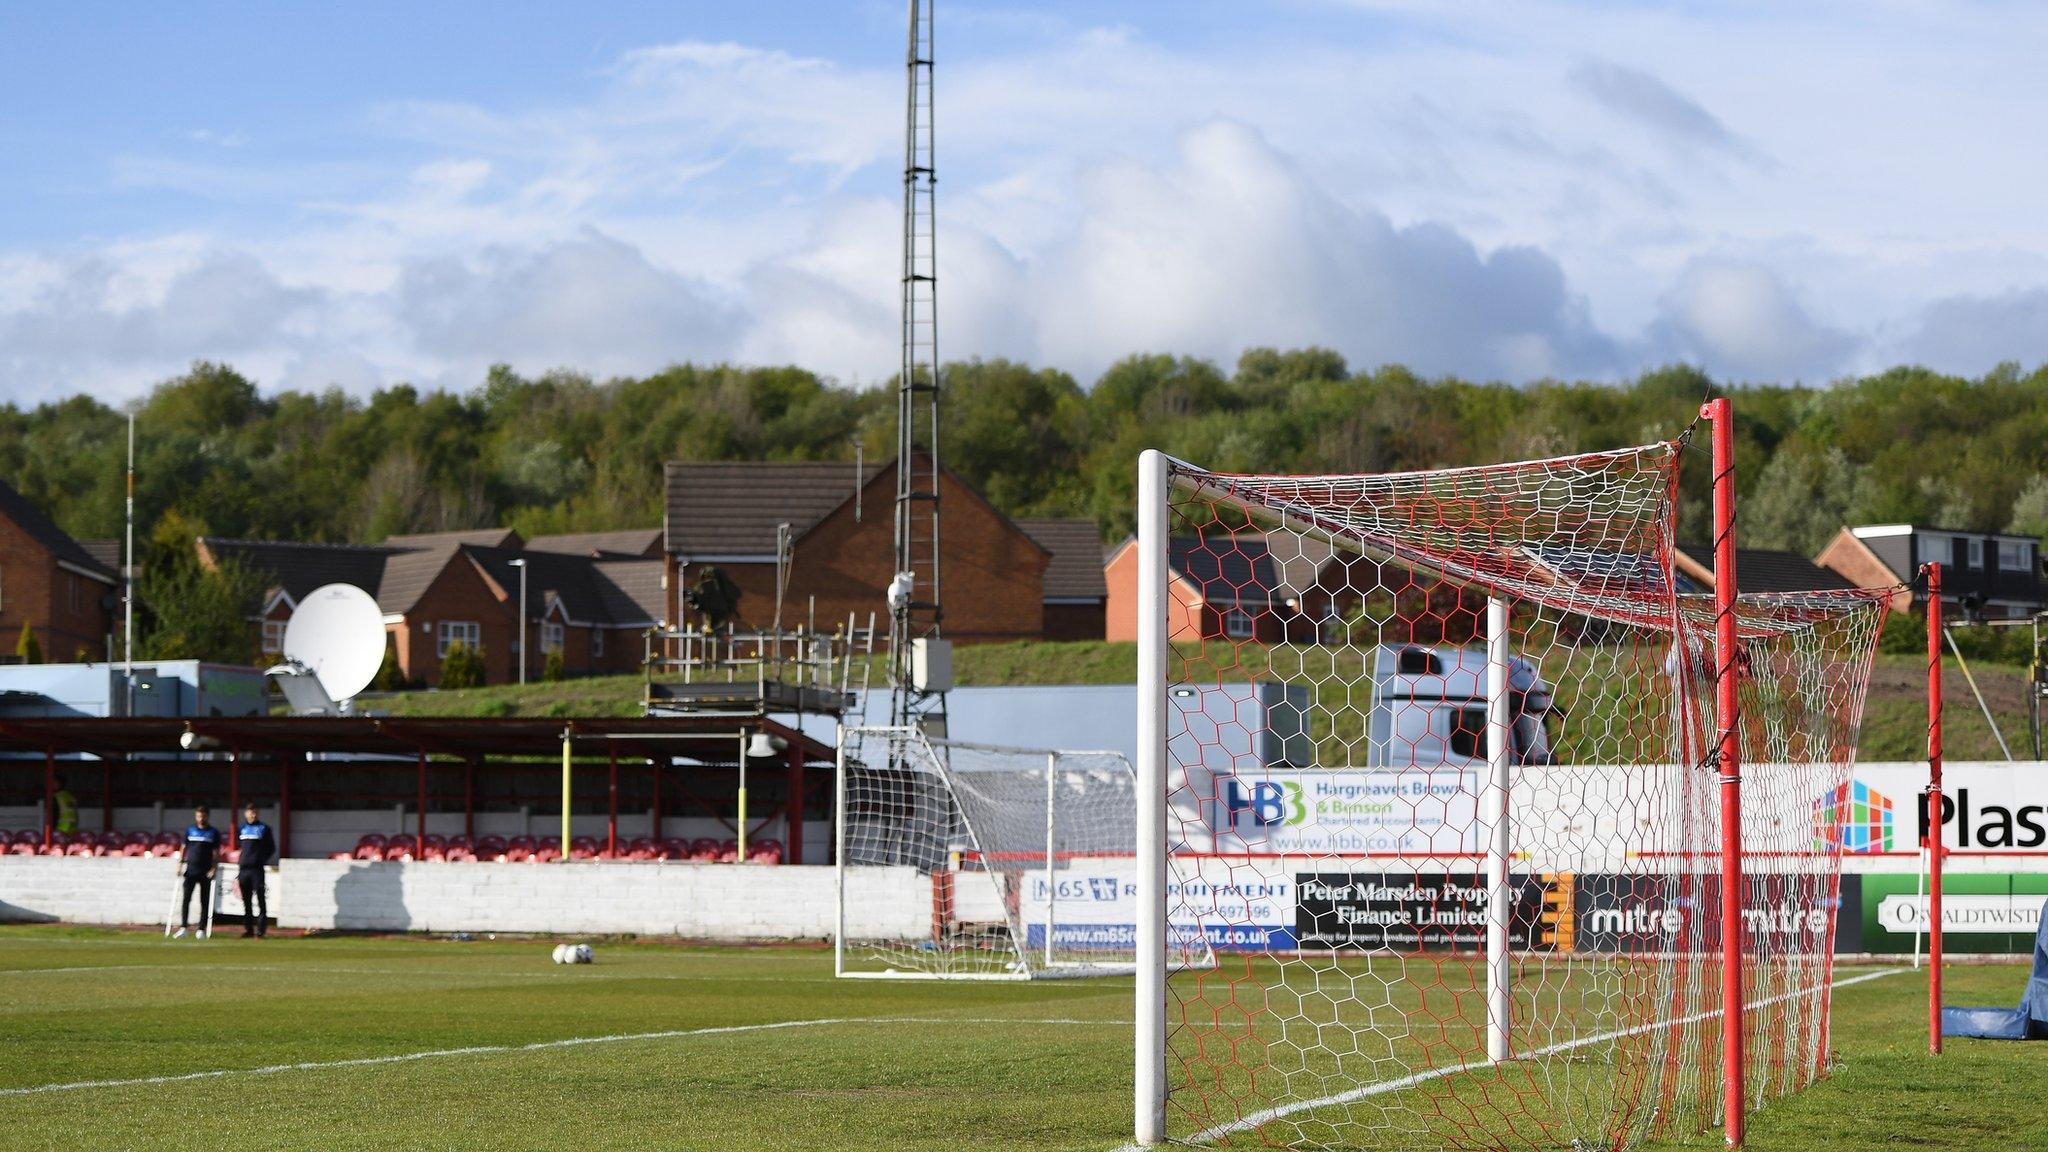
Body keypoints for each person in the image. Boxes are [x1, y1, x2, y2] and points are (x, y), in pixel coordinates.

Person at [172, 805, 220, 939]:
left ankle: (201, 929)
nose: (201, 818)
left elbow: (216, 852)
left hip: (205, 871)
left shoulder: (213, 832)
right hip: (191, 870)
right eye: (199, 816)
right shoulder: (190, 830)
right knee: (186, 899)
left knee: (204, 901)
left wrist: (214, 867)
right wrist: (179, 865)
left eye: (203, 815)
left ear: (207, 816)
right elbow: (183, 847)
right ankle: (184, 928)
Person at [235, 803, 276, 938]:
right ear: (246, 813)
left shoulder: (264, 828)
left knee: (260, 899)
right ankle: (248, 929)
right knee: (246, 901)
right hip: (244, 869)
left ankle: (261, 930)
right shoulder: (242, 828)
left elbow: (271, 848)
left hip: (256, 869)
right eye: (250, 812)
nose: (253, 815)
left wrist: (261, 859)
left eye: (255, 812)